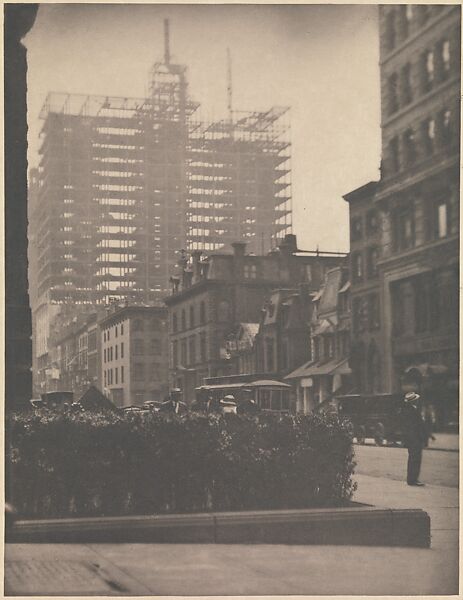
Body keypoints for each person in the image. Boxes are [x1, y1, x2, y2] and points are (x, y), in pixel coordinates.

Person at [400, 392, 427, 486]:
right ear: (414, 401)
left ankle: (412, 479)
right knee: (415, 459)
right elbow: (414, 427)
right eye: (416, 400)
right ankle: (413, 479)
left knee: (413, 459)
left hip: (413, 439)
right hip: (414, 439)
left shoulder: (410, 410)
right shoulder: (411, 411)